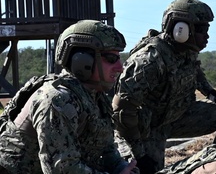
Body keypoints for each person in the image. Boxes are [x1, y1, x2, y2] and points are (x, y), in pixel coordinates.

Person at [112, 0, 216, 174]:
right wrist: (139, 155)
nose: (207, 36)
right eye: (201, 30)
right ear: (181, 30)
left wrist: (211, 93)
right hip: (146, 131)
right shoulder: (149, 60)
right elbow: (122, 110)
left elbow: (195, 71)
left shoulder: (186, 50)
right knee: (148, 171)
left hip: (176, 117)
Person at [0, 20, 138, 174]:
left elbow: (106, 150)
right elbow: (62, 170)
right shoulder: (56, 100)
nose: (120, 67)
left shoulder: (95, 97)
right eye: (111, 59)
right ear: (83, 60)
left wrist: (122, 168)